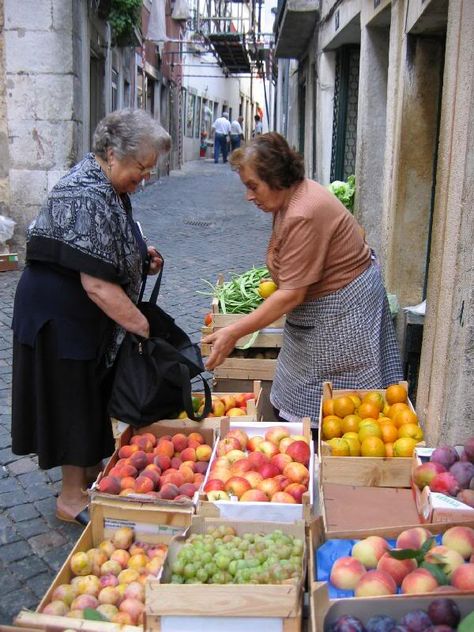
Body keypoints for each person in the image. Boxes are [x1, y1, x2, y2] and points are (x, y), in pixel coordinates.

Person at [11, 108, 171, 525]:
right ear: (113, 154)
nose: (145, 177)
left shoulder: (109, 187)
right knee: (72, 397)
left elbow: (111, 239)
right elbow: (97, 283)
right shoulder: (84, 192)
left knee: (89, 391)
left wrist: (142, 255)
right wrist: (142, 327)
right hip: (58, 314)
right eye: (141, 167)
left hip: (82, 312)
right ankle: (70, 497)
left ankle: (86, 473)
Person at [203, 132, 403, 426]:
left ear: (276, 177)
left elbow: (291, 294)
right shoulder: (292, 197)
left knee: (342, 397)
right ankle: (307, 429)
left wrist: (234, 331)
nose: (248, 195)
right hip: (326, 307)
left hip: (344, 312)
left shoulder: (302, 212)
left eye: (253, 186)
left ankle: (322, 444)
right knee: (302, 385)